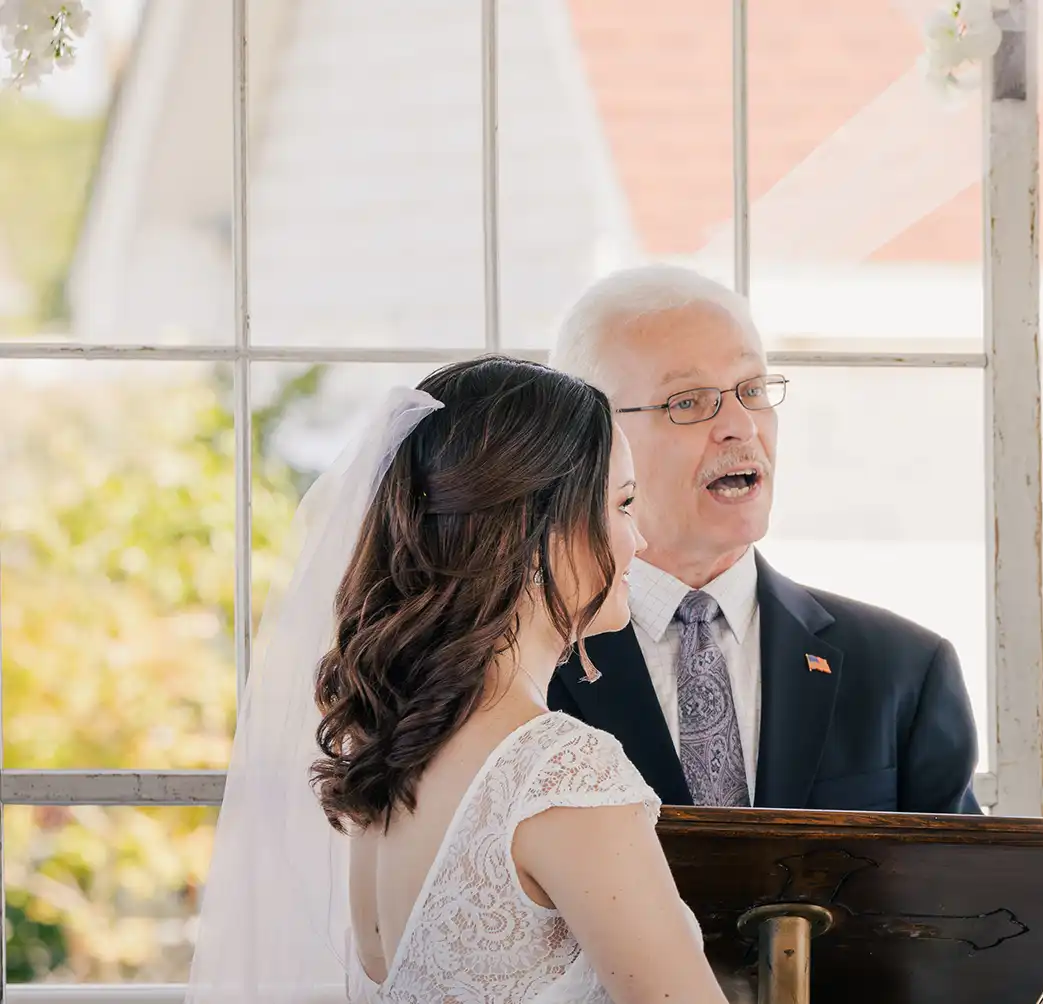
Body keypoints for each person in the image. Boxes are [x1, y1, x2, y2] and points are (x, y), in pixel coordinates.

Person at [185, 357, 729, 1004]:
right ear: (537, 531)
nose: (637, 541)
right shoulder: (561, 774)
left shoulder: (392, 761)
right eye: (622, 503)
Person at [546, 265, 981, 814]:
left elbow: (964, 894)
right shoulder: (520, 667)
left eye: (751, 391)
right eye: (689, 401)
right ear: (591, 441)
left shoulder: (904, 670)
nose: (741, 426)